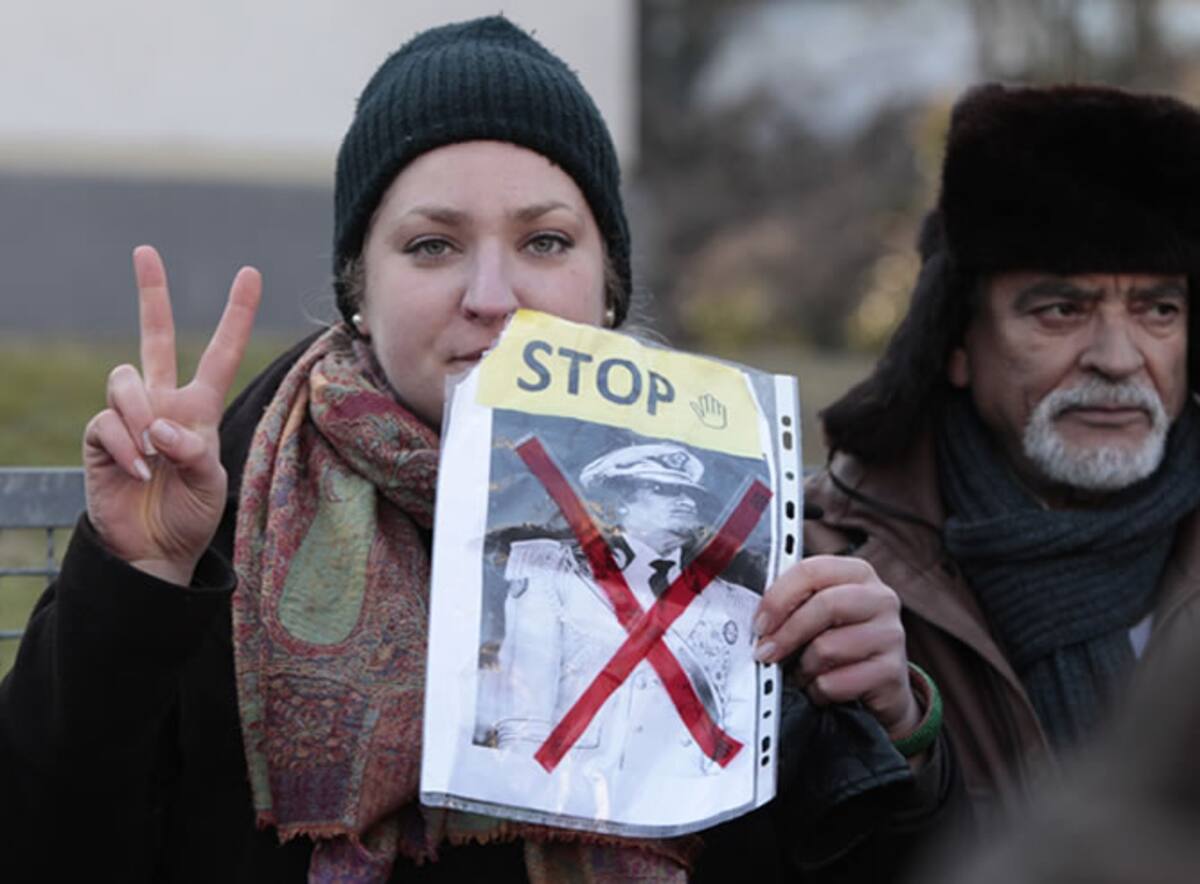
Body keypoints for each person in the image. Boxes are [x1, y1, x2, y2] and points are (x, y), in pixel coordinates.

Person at [0, 16, 954, 883]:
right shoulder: (235, 494)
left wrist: (892, 723)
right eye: (431, 246)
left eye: (544, 242)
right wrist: (136, 578)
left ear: (607, 289)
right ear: (357, 291)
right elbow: (47, 843)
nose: (493, 296)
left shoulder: (723, 501)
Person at [772, 81, 1200, 832]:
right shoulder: (818, 575)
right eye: (1061, 309)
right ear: (957, 344)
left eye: (1157, 309)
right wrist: (903, 740)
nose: (1117, 357)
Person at [494, 443, 759, 785]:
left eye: (690, 493)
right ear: (622, 500)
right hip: (574, 782)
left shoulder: (734, 602)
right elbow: (526, 697)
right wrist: (521, 783)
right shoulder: (555, 572)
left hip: (682, 788)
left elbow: (739, 711)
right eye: (664, 490)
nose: (687, 502)